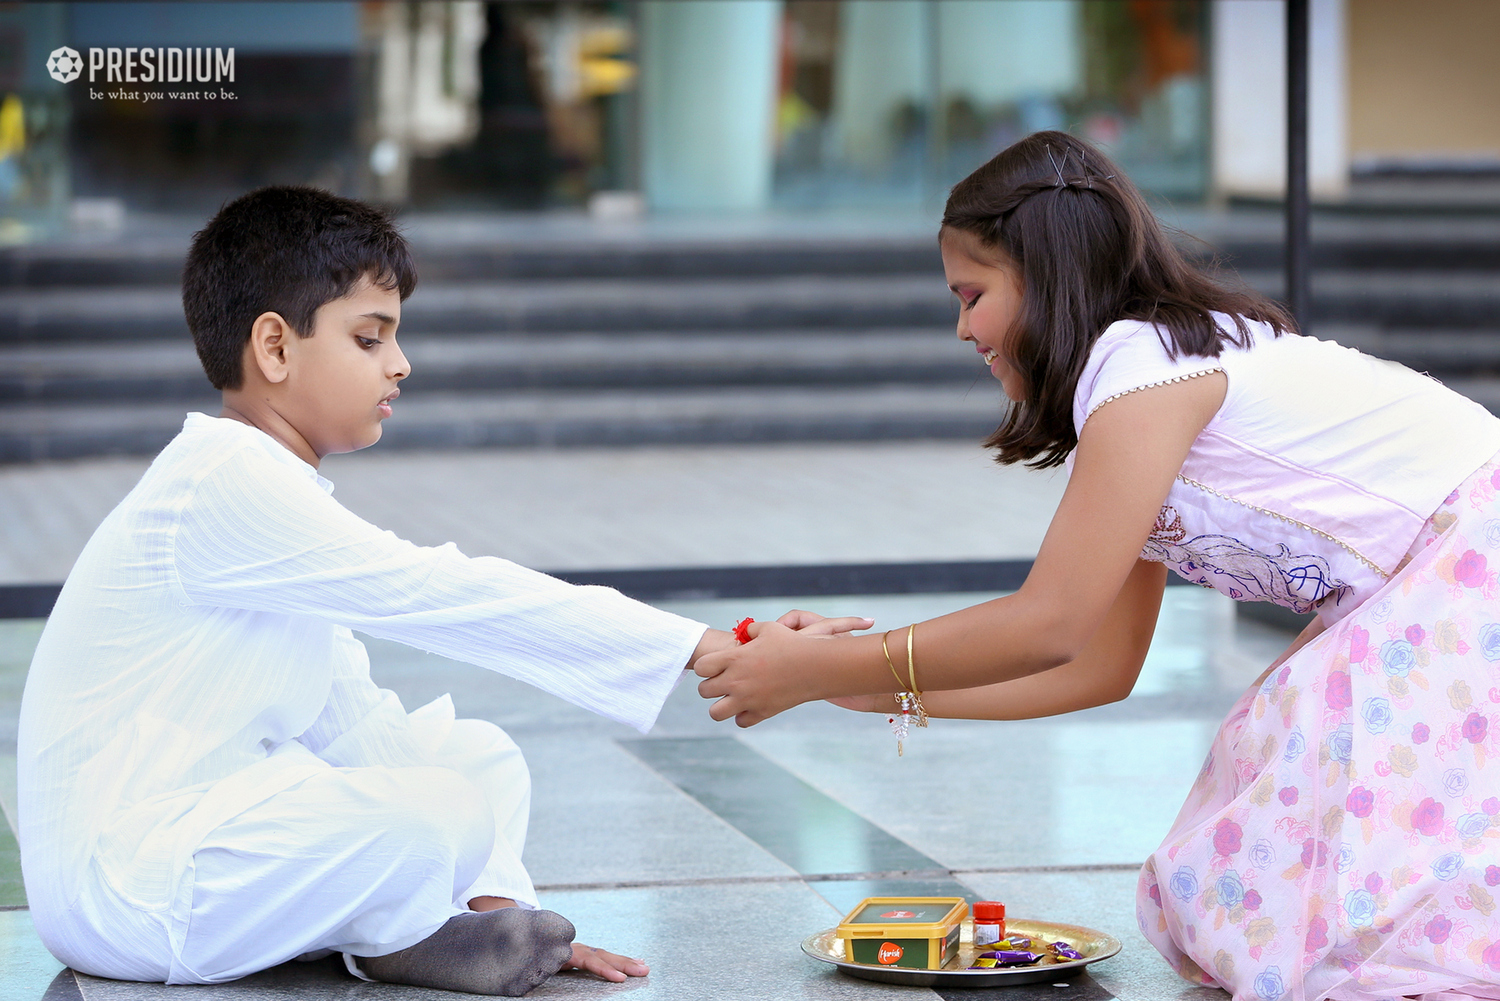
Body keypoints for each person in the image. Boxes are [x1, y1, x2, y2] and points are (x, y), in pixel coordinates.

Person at [694, 132, 1500, 1001]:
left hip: (1471, 556)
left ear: (1043, 272)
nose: (962, 325)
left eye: (972, 294)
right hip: (1444, 575)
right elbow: (1100, 666)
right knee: (1297, 863)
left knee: (1307, 850)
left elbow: (1049, 624)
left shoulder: (1141, 365)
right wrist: (850, 683)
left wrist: (828, 664)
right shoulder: (1144, 384)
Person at [15, 186, 865, 996]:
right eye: (369, 338)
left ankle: (454, 930)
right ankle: (402, 938)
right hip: (127, 888)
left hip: (199, 843)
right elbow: (439, 592)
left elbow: (350, 716)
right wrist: (703, 645)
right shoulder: (224, 482)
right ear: (275, 347)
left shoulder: (262, 489)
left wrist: (516, 918)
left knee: (474, 759)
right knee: (436, 811)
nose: (401, 363)